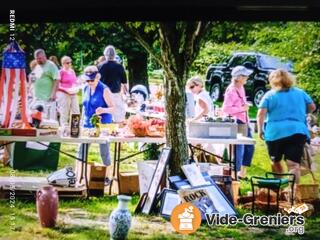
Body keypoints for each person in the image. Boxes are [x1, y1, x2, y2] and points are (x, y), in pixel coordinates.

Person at [257, 69, 316, 184]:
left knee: (275, 161)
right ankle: (293, 194)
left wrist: (260, 130)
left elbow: (261, 113)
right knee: (294, 164)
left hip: (275, 133)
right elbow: (312, 107)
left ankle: (280, 187)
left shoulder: (270, 95)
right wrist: (302, 111)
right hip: (297, 131)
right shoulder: (300, 92)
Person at [78, 65, 114, 184]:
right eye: (87, 80)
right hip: (87, 124)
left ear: (98, 77)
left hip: (103, 124)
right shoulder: (85, 88)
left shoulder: (104, 89)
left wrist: (103, 110)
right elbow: (84, 107)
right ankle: (80, 175)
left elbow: (113, 109)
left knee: (104, 152)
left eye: (92, 80)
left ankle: (108, 177)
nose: (89, 82)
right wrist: (81, 122)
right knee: (81, 150)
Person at [222, 65, 255, 180]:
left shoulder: (241, 87)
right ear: (239, 77)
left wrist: (244, 108)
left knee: (249, 146)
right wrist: (242, 109)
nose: (247, 78)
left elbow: (241, 104)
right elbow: (226, 109)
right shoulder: (231, 90)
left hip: (244, 120)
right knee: (239, 148)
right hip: (236, 121)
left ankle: (242, 173)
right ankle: (235, 174)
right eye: (245, 76)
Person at [98, 45, 128, 122]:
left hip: (103, 94)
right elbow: (124, 83)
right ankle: (118, 131)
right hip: (115, 94)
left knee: (104, 114)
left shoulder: (100, 66)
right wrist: (127, 93)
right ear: (114, 55)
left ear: (105, 55)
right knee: (119, 116)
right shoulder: (119, 66)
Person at [32, 49, 60, 119]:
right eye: (36, 59)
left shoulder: (51, 65)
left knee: (50, 121)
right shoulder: (37, 66)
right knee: (39, 119)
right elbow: (35, 79)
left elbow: (57, 79)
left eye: (40, 58)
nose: (38, 60)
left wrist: (53, 93)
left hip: (48, 98)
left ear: (45, 56)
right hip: (38, 98)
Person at [56, 56, 80, 126]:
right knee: (64, 111)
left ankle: (75, 128)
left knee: (76, 110)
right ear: (63, 63)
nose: (69, 64)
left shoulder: (72, 71)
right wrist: (66, 90)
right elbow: (57, 85)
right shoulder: (60, 72)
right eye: (67, 63)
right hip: (64, 94)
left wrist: (77, 86)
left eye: (70, 62)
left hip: (73, 93)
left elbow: (75, 82)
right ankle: (64, 128)